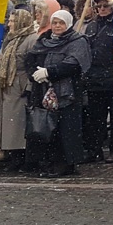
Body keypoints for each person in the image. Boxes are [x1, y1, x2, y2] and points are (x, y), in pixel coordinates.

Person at [25, 10, 92, 178]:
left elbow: (73, 65)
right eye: (54, 22)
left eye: (61, 23)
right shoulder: (44, 39)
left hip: (67, 92)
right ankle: (47, 161)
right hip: (43, 89)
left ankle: (65, 163)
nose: (57, 26)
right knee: (46, 127)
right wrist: (34, 73)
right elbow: (31, 58)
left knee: (66, 129)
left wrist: (50, 72)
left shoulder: (77, 41)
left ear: (68, 24)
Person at [81, 0, 113, 164]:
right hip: (94, 78)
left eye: (105, 6)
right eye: (99, 6)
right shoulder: (91, 26)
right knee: (95, 118)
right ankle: (95, 149)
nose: (102, 9)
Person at [0, 9, 38, 167]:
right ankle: (10, 152)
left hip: (20, 85)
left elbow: (33, 64)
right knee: (7, 123)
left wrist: (29, 86)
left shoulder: (32, 39)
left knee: (19, 123)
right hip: (5, 85)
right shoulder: (9, 39)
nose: (9, 24)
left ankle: (21, 155)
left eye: (12, 21)